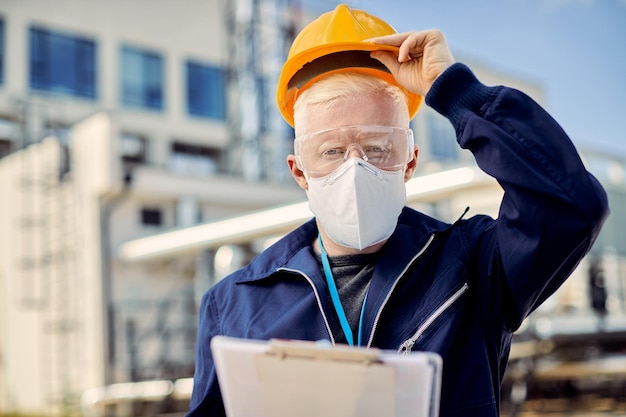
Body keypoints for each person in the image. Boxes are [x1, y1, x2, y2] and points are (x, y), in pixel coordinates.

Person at [187, 4, 609, 416]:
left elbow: (571, 205)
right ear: (300, 171)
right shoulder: (234, 305)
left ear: (409, 160)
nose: (355, 168)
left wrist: (456, 91)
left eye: (377, 148)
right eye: (331, 150)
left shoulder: (475, 267)